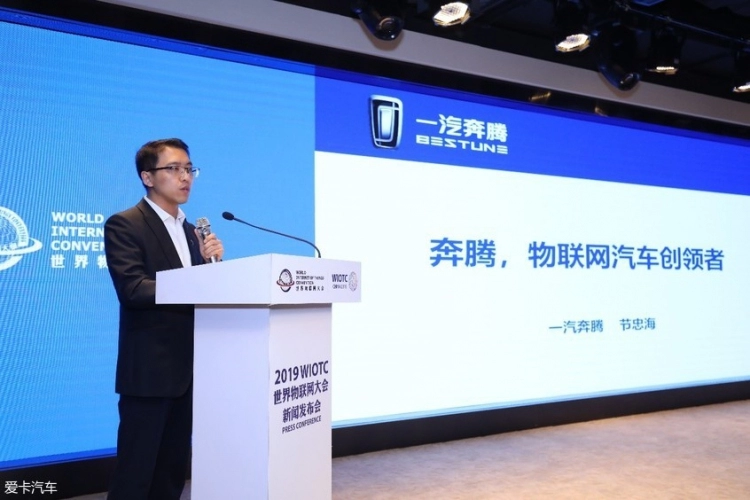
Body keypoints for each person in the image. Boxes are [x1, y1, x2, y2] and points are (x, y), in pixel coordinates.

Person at [103, 138, 224, 500]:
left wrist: (212, 267)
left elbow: (202, 294)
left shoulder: (191, 231)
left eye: (189, 169)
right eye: (173, 169)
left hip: (188, 373)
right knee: (135, 477)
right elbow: (133, 289)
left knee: (171, 476)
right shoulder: (125, 224)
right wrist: (195, 281)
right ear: (147, 177)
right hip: (149, 374)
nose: (185, 177)